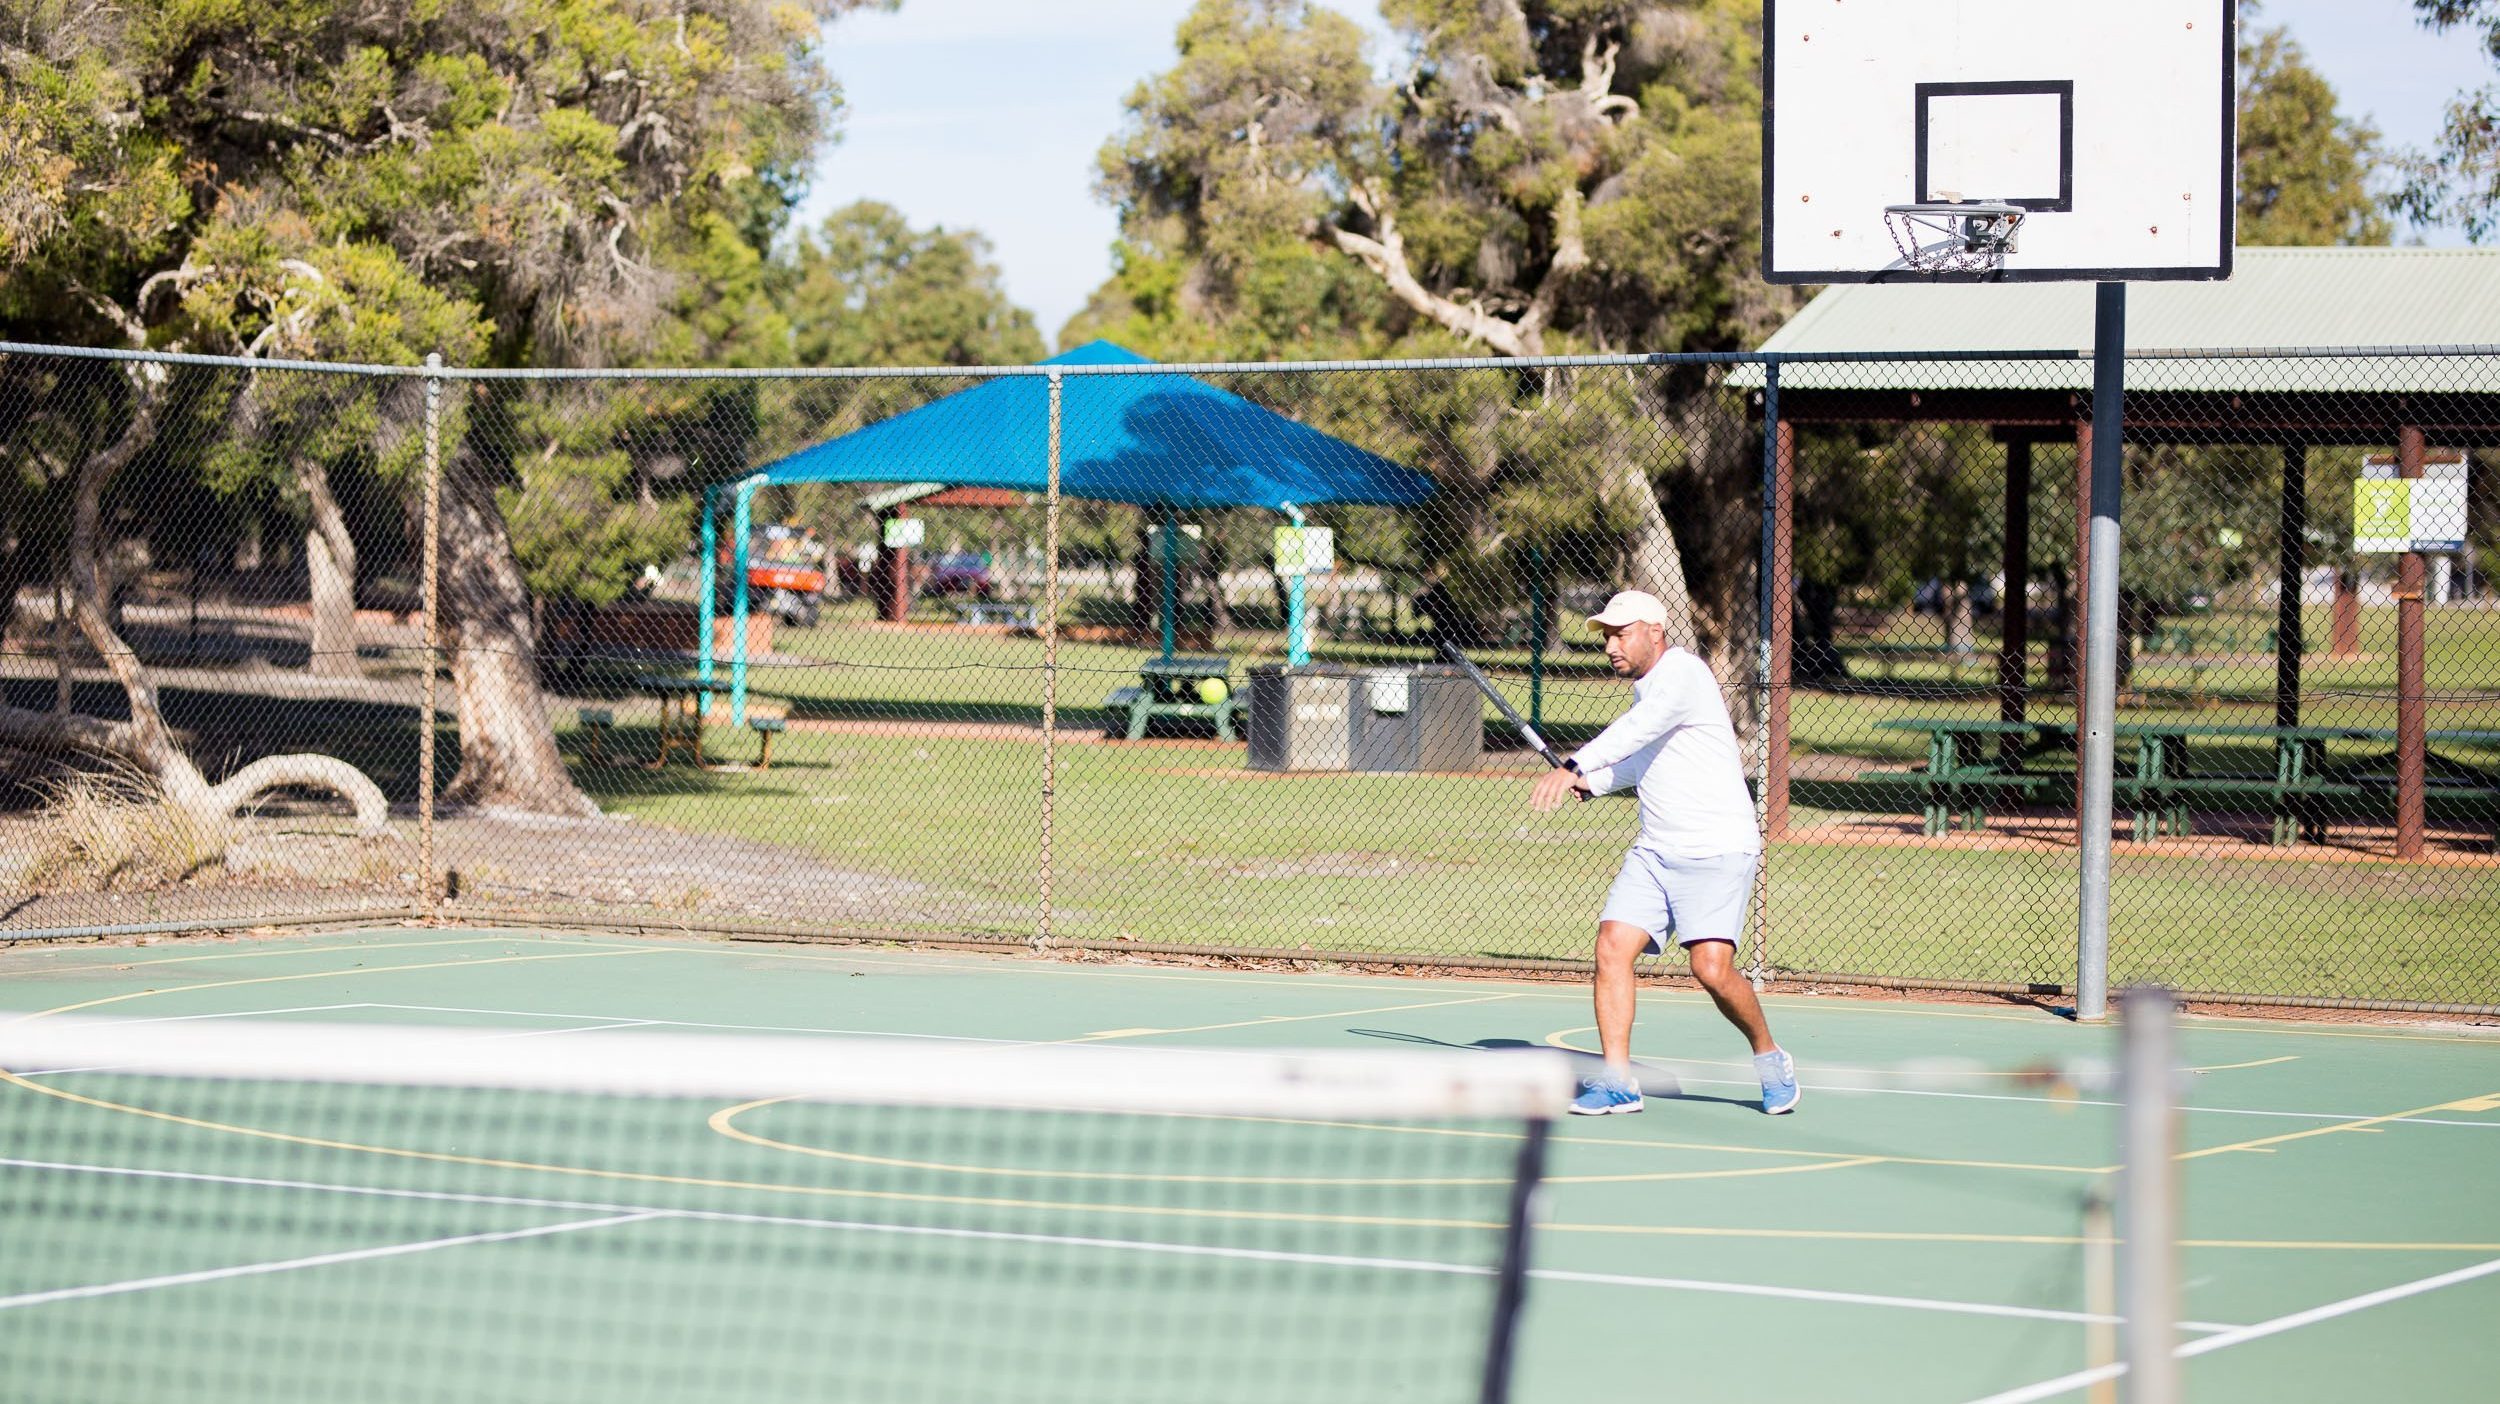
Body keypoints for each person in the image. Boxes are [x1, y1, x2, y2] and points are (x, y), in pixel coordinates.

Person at [1530, 590, 1799, 1116]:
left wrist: (1573, 764)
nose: (1611, 645)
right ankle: (1617, 1082)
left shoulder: (1685, 675)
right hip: (1656, 849)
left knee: (1712, 970)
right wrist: (1596, 783)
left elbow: (1637, 732)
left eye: (1621, 633)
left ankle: (1770, 1058)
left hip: (1717, 849)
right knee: (1612, 946)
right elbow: (1643, 758)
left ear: (1656, 631)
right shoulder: (1648, 692)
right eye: (1607, 635)